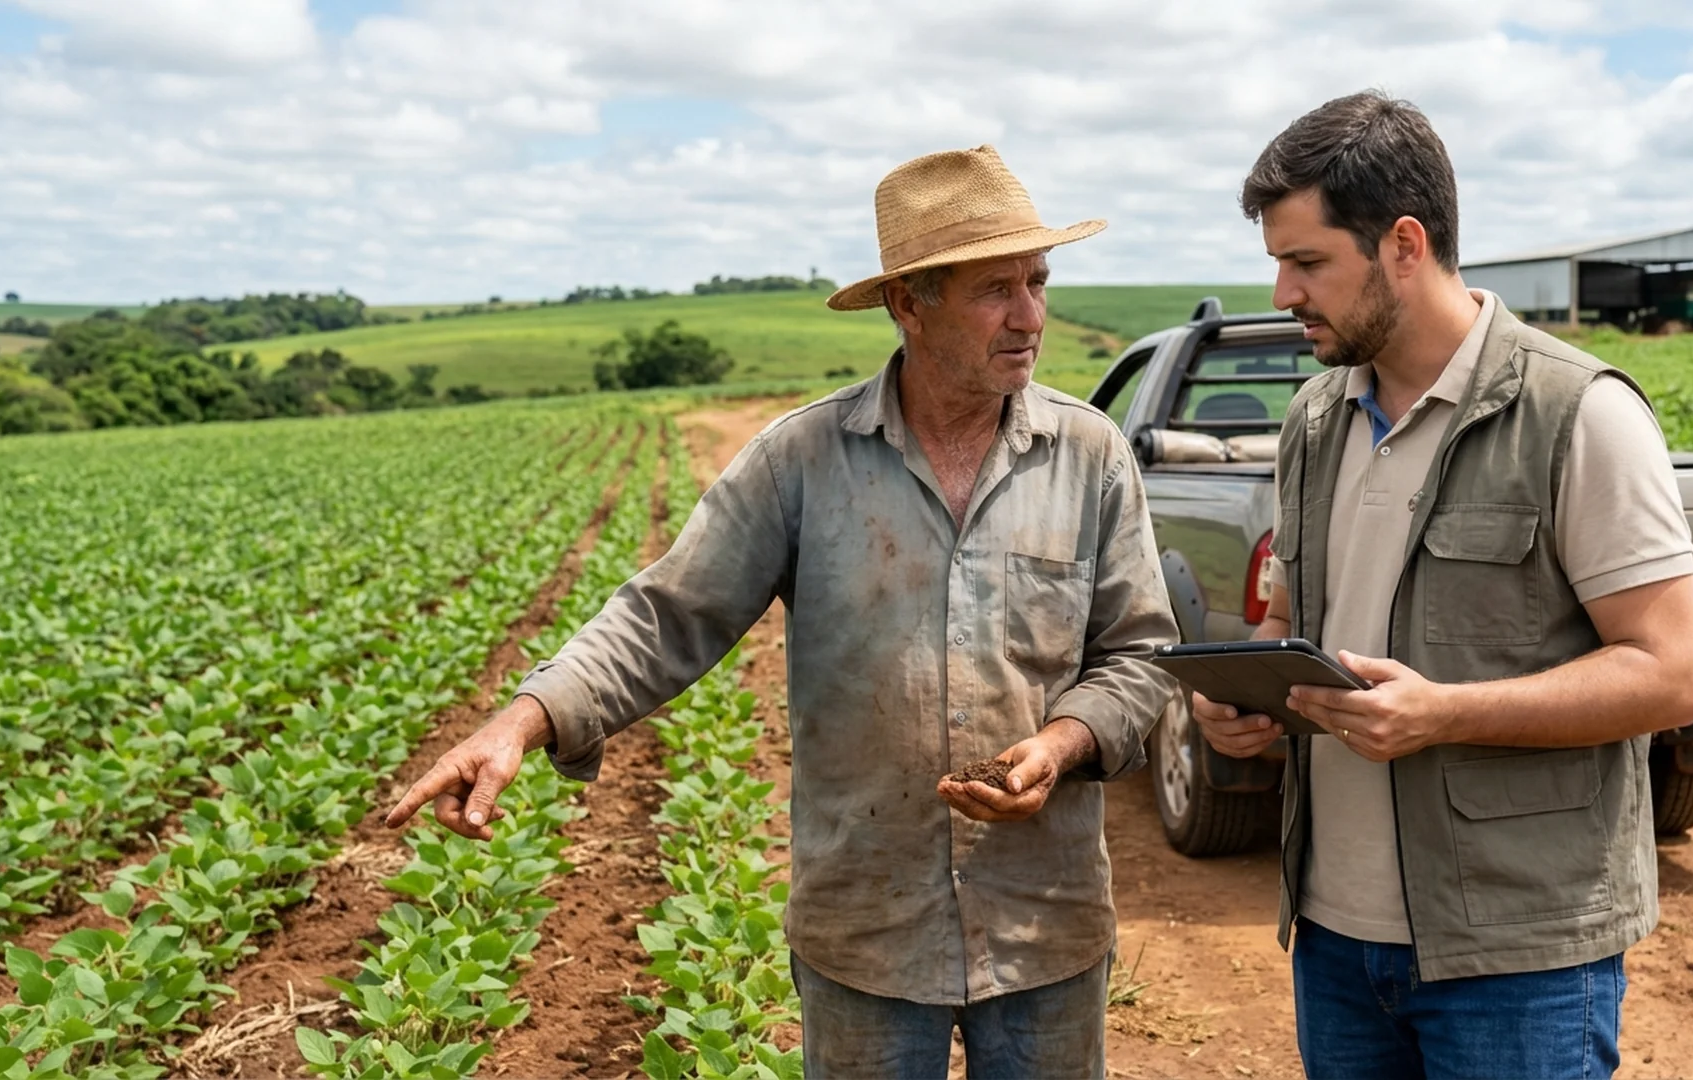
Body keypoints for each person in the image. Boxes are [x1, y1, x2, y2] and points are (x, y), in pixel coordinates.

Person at [386, 144, 1179, 1079]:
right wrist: (523, 722)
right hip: (868, 928)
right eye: (994, 291)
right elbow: (667, 616)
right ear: (909, 303)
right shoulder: (800, 461)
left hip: (1046, 924)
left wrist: (1062, 746)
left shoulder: (1090, 456)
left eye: (1039, 282)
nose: (1031, 317)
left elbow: (1139, 659)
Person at [1192, 91, 1693, 1079]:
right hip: (1334, 943)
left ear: (1403, 244)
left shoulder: (1577, 416)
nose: (1284, 292)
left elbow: (1671, 673)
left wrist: (1447, 713)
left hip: (1519, 957)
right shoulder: (1312, 421)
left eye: (1306, 263)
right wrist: (1246, 699)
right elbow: (1288, 623)